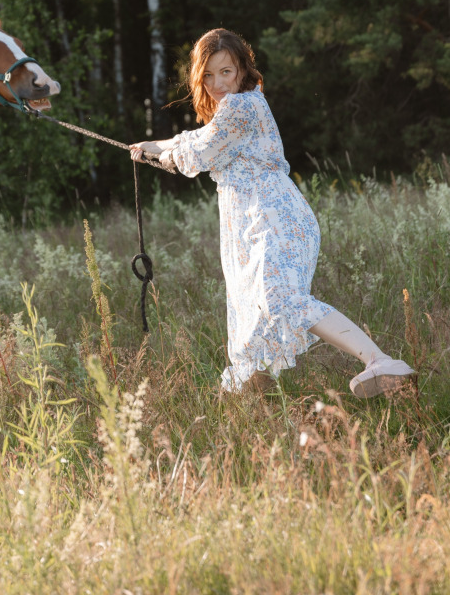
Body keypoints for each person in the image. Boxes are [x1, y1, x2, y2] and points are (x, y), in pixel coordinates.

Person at [130, 28, 415, 398]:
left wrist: (162, 153)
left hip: (271, 215)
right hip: (248, 221)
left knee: (280, 300)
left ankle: (379, 361)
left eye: (226, 72)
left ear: (243, 71)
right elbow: (196, 140)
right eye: (208, 75)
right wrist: (152, 146)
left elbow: (199, 154)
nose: (218, 84)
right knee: (256, 321)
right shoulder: (232, 110)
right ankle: (253, 423)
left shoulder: (243, 105)